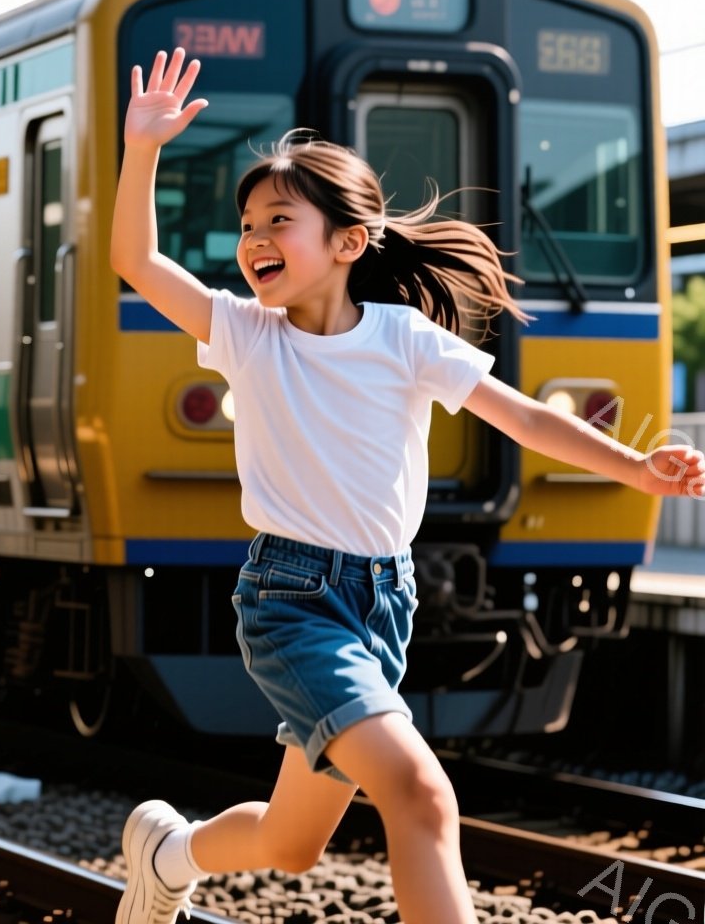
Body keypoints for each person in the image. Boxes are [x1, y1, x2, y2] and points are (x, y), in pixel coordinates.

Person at [109, 49, 704, 924]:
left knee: (290, 842)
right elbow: (137, 260)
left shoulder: (403, 338)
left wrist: (637, 469)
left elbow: (527, 419)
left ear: (349, 243)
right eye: (246, 225)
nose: (254, 240)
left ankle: (167, 854)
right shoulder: (243, 333)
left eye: (279, 221)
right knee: (422, 795)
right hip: (293, 599)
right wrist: (144, 148)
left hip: (385, 600)